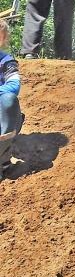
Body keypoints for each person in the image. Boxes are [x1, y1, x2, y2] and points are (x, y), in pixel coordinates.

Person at [0, 20, 23, 175]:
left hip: (4, 118)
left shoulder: (7, 61)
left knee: (9, 99)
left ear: (3, 39)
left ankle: (2, 160)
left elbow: (14, 85)